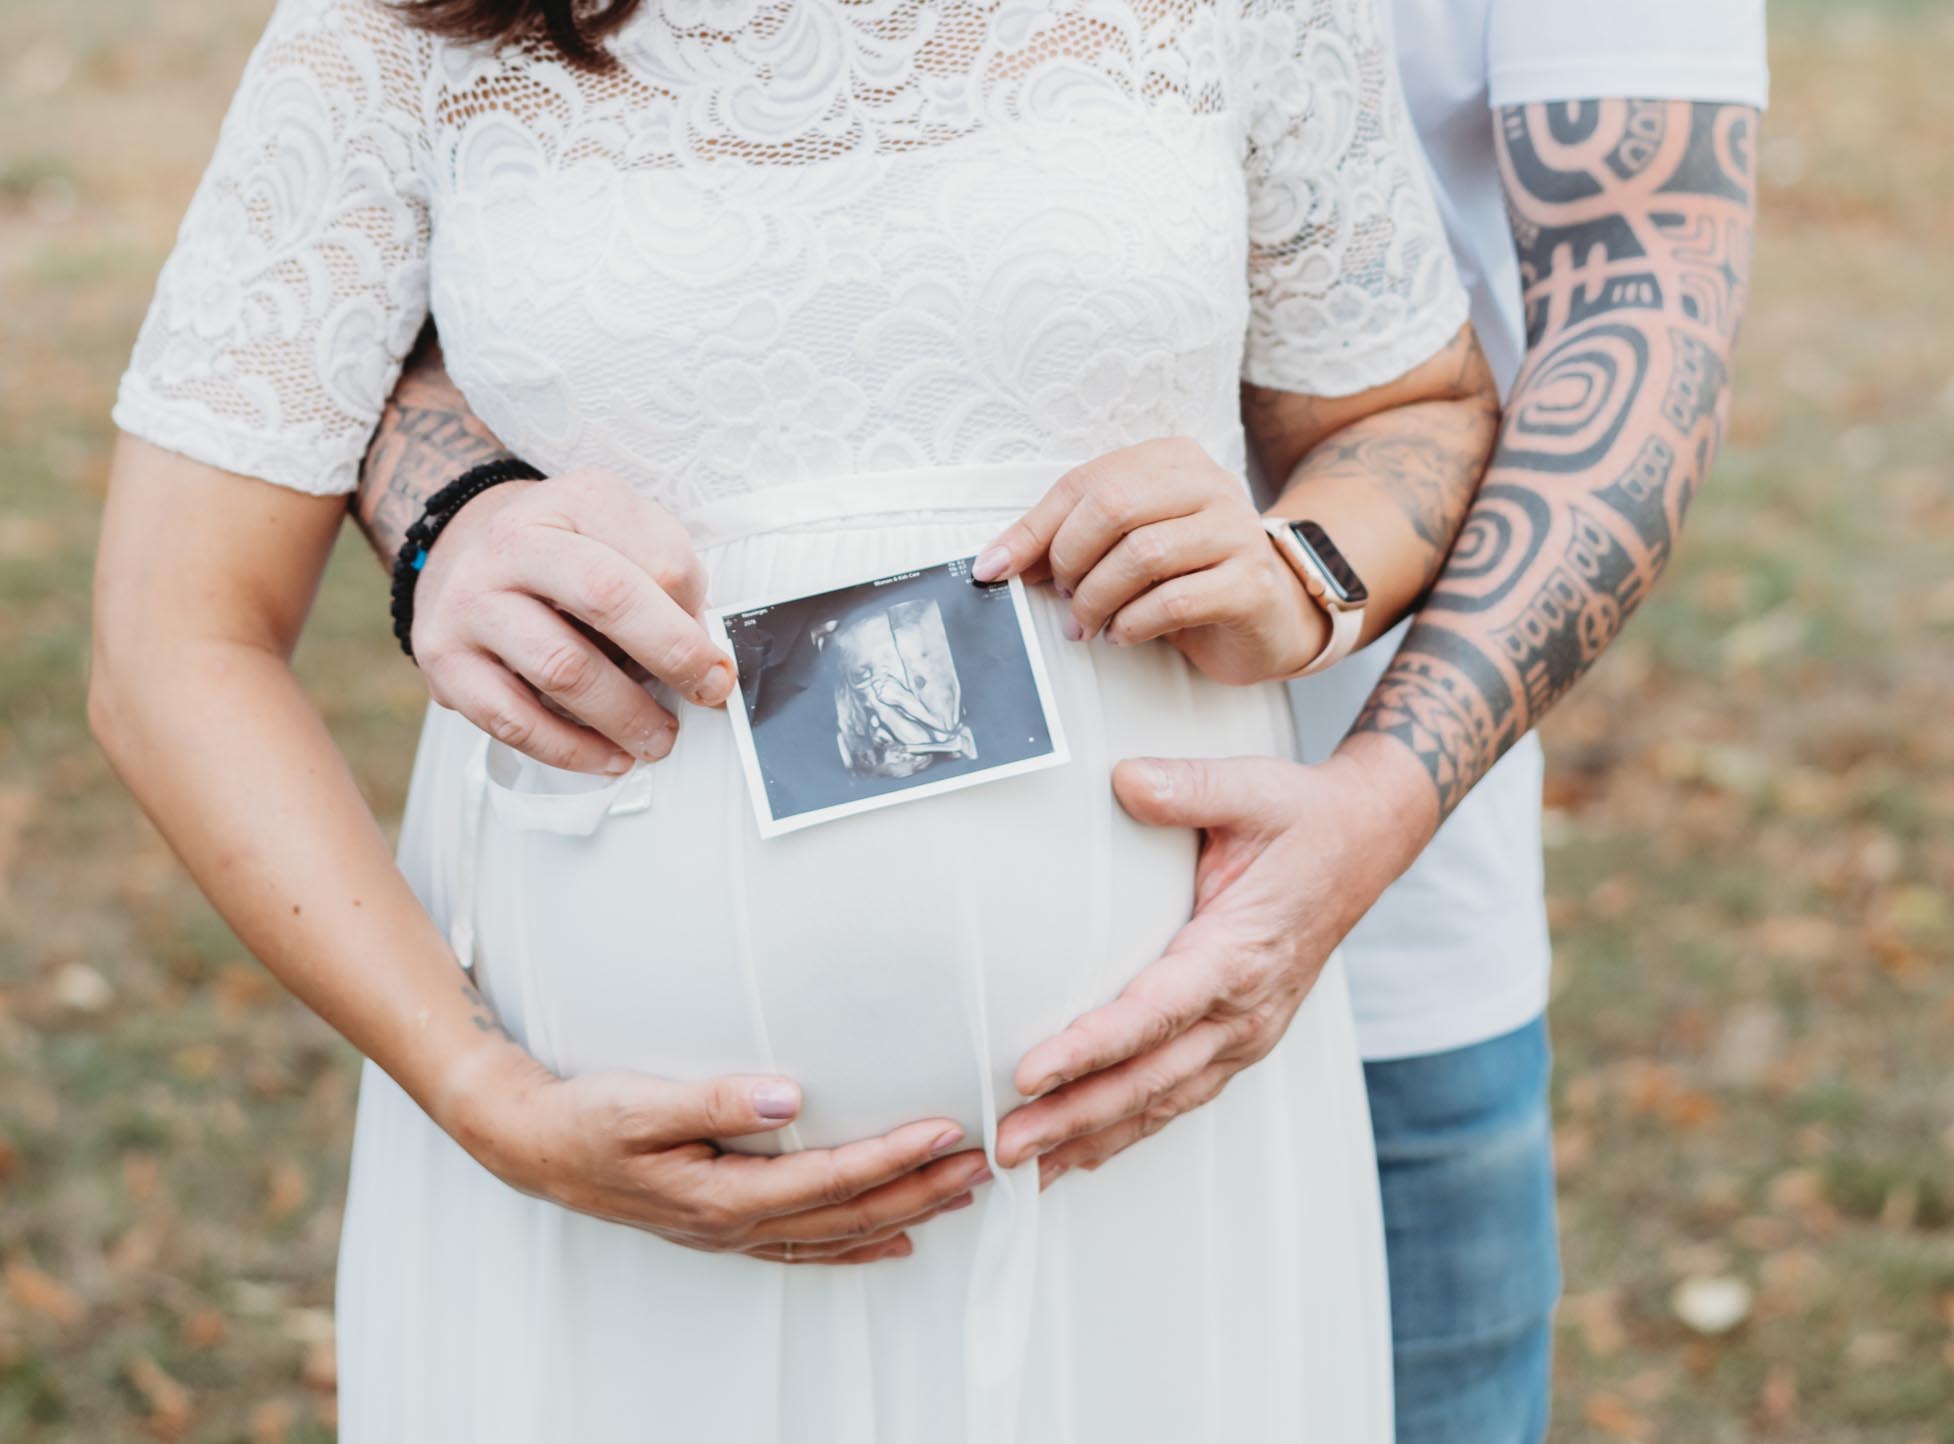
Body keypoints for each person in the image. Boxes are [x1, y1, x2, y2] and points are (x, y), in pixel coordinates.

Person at [90, 1, 1501, 1440]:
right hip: (604, 1206)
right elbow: (171, 638)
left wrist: (1306, 569)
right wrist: (481, 1095)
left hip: (1145, 1168)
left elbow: (1417, 412)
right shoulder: (390, 29)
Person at [357, 4, 1770, 1440]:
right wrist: (448, 518)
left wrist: (1358, 726)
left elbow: (1639, 288)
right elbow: (347, 304)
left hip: (1343, 939)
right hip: (618, 1107)